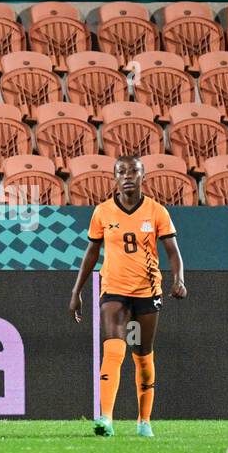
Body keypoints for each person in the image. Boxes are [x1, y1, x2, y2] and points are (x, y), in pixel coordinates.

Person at [69, 156, 186, 437]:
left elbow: (173, 252)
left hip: (147, 291)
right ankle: (106, 418)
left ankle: (144, 420)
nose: (128, 176)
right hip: (113, 289)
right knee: (113, 350)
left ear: (143, 176)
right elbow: (92, 253)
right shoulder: (103, 212)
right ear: (114, 178)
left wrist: (179, 278)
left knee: (142, 356)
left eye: (134, 171)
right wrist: (77, 291)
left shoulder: (157, 212)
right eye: (122, 171)